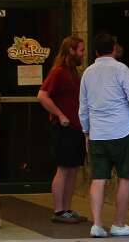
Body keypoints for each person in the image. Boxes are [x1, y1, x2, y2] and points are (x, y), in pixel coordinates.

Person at [79, 33, 129, 238]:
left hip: (98, 134)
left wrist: (86, 132)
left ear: (96, 51)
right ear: (114, 48)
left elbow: (83, 108)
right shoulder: (121, 69)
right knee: (126, 177)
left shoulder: (88, 73)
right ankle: (119, 224)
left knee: (98, 178)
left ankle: (97, 224)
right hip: (122, 131)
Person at [37, 36, 87, 224]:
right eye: (81, 50)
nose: (83, 54)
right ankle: (59, 210)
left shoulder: (73, 72)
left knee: (73, 169)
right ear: (71, 51)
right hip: (64, 127)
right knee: (64, 169)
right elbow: (42, 96)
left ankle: (67, 208)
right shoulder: (58, 72)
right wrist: (60, 115)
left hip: (76, 127)